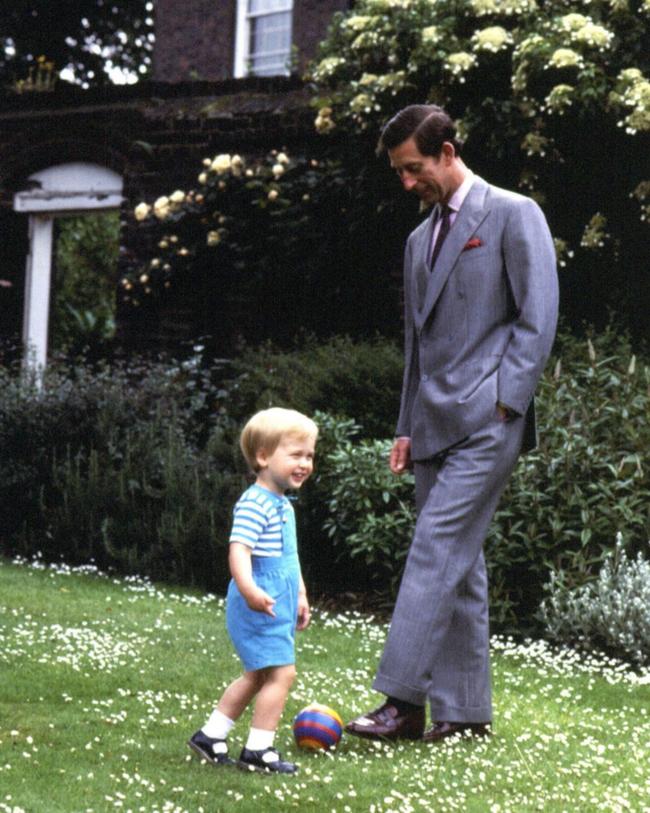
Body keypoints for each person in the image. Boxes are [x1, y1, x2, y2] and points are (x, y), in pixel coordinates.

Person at [345, 105, 559, 743]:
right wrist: (406, 426)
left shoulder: (515, 213)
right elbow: (417, 345)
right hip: (431, 426)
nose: (408, 183)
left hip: (489, 421)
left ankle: (403, 702)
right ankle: (464, 715)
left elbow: (538, 315)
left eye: (414, 169)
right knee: (460, 565)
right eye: (400, 173)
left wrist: (507, 401)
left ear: (446, 151)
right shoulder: (418, 240)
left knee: (435, 549)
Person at [188, 407, 318, 773]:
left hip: (276, 601)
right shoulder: (255, 504)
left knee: (258, 674)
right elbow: (239, 551)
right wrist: (249, 591)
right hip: (257, 602)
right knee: (282, 673)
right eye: (295, 454)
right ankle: (259, 748)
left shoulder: (283, 506)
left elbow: (289, 559)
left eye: (309, 455)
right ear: (263, 457)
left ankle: (211, 735)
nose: (305, 463)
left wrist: (301, 596)